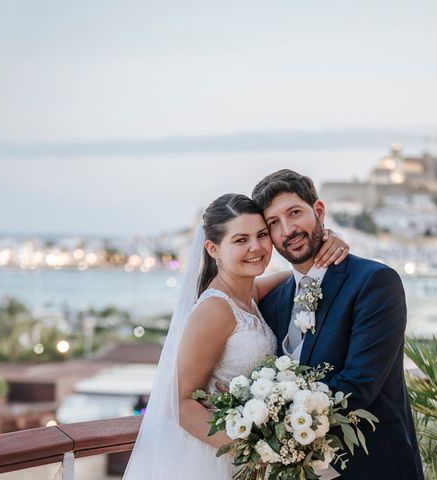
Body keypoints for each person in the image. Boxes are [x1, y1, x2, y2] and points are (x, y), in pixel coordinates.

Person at [123, 193, 349, 479]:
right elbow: (178, 404)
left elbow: (297, 274)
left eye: (262, 235)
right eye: (241, 240)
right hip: (223, 459)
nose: (256, 247)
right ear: (213, 249)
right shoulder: (215, 309)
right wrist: (257, 451)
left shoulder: (248, 293)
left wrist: (327, 244)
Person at [252, 170, 424, 480]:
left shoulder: (374, 282)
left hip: (373, 468)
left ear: (318, 211)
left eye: (294, 213)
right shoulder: (272, 301)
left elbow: (358, 386)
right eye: (274, 223)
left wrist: (271, 421)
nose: (288, 230)